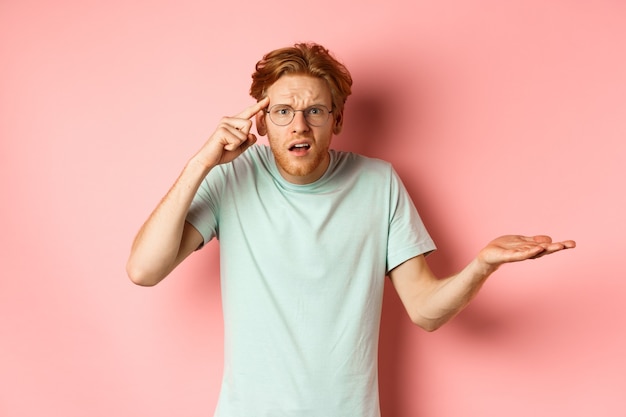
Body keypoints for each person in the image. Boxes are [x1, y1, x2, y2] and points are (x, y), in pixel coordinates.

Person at [126, 42, 575, 417]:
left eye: (315, 111)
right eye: (282, 111)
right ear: (260, 121)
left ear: (337, 120)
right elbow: (144, 270)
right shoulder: (232, 177)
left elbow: (424, 310)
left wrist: (482, 265)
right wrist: (201, 162)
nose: (298, 125)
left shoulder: (378, 184)